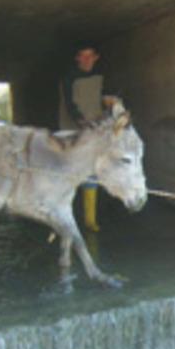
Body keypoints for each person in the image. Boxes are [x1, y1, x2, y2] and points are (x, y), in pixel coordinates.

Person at [61, 43, 105, 232]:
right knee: (68, 171)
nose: (87, 60)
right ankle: (65, 218)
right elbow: (69, 103)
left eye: (90, 56)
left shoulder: (101, 76)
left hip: (94, 129)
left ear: (96, 58)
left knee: (91, 171)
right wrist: (80, 119)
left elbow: (103, 99)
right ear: (77, 59)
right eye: (83, 56)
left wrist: (110, 102)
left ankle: (90, 220)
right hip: (71, 129)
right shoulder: (69, 77)